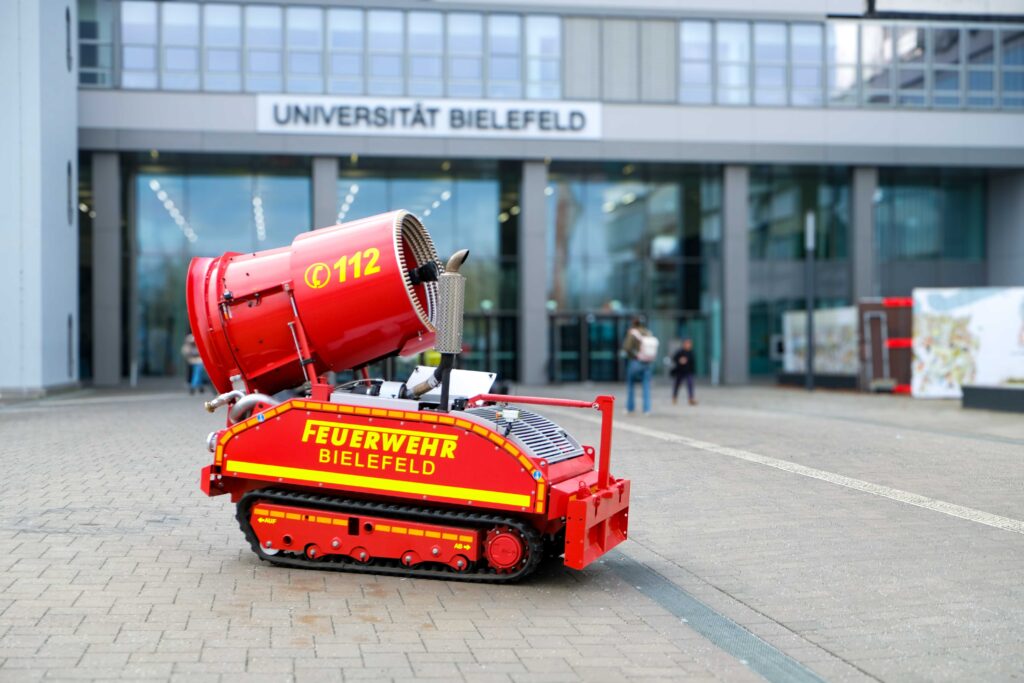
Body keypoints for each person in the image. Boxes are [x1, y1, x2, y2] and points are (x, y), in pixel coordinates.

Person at [621, 317, 658, 414]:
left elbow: (627, 347)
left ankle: (630, 408)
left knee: (631, 385)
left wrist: (635, 355)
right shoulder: (647, 332)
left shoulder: (633, 333)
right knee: (646, 386)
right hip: (647, 362)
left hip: (635, 362)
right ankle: (647, 409)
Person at [671, 339, 697, 406]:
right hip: (680, 371)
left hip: (688, 371)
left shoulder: (691, 352)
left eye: (689, 344)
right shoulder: (680, 352)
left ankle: (691, 398)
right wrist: (680, 360)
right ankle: (674, 397)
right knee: (677, 384)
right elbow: (674, 358)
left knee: (690, 384)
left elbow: (693, 362)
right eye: (686, 344)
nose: (688, 345)